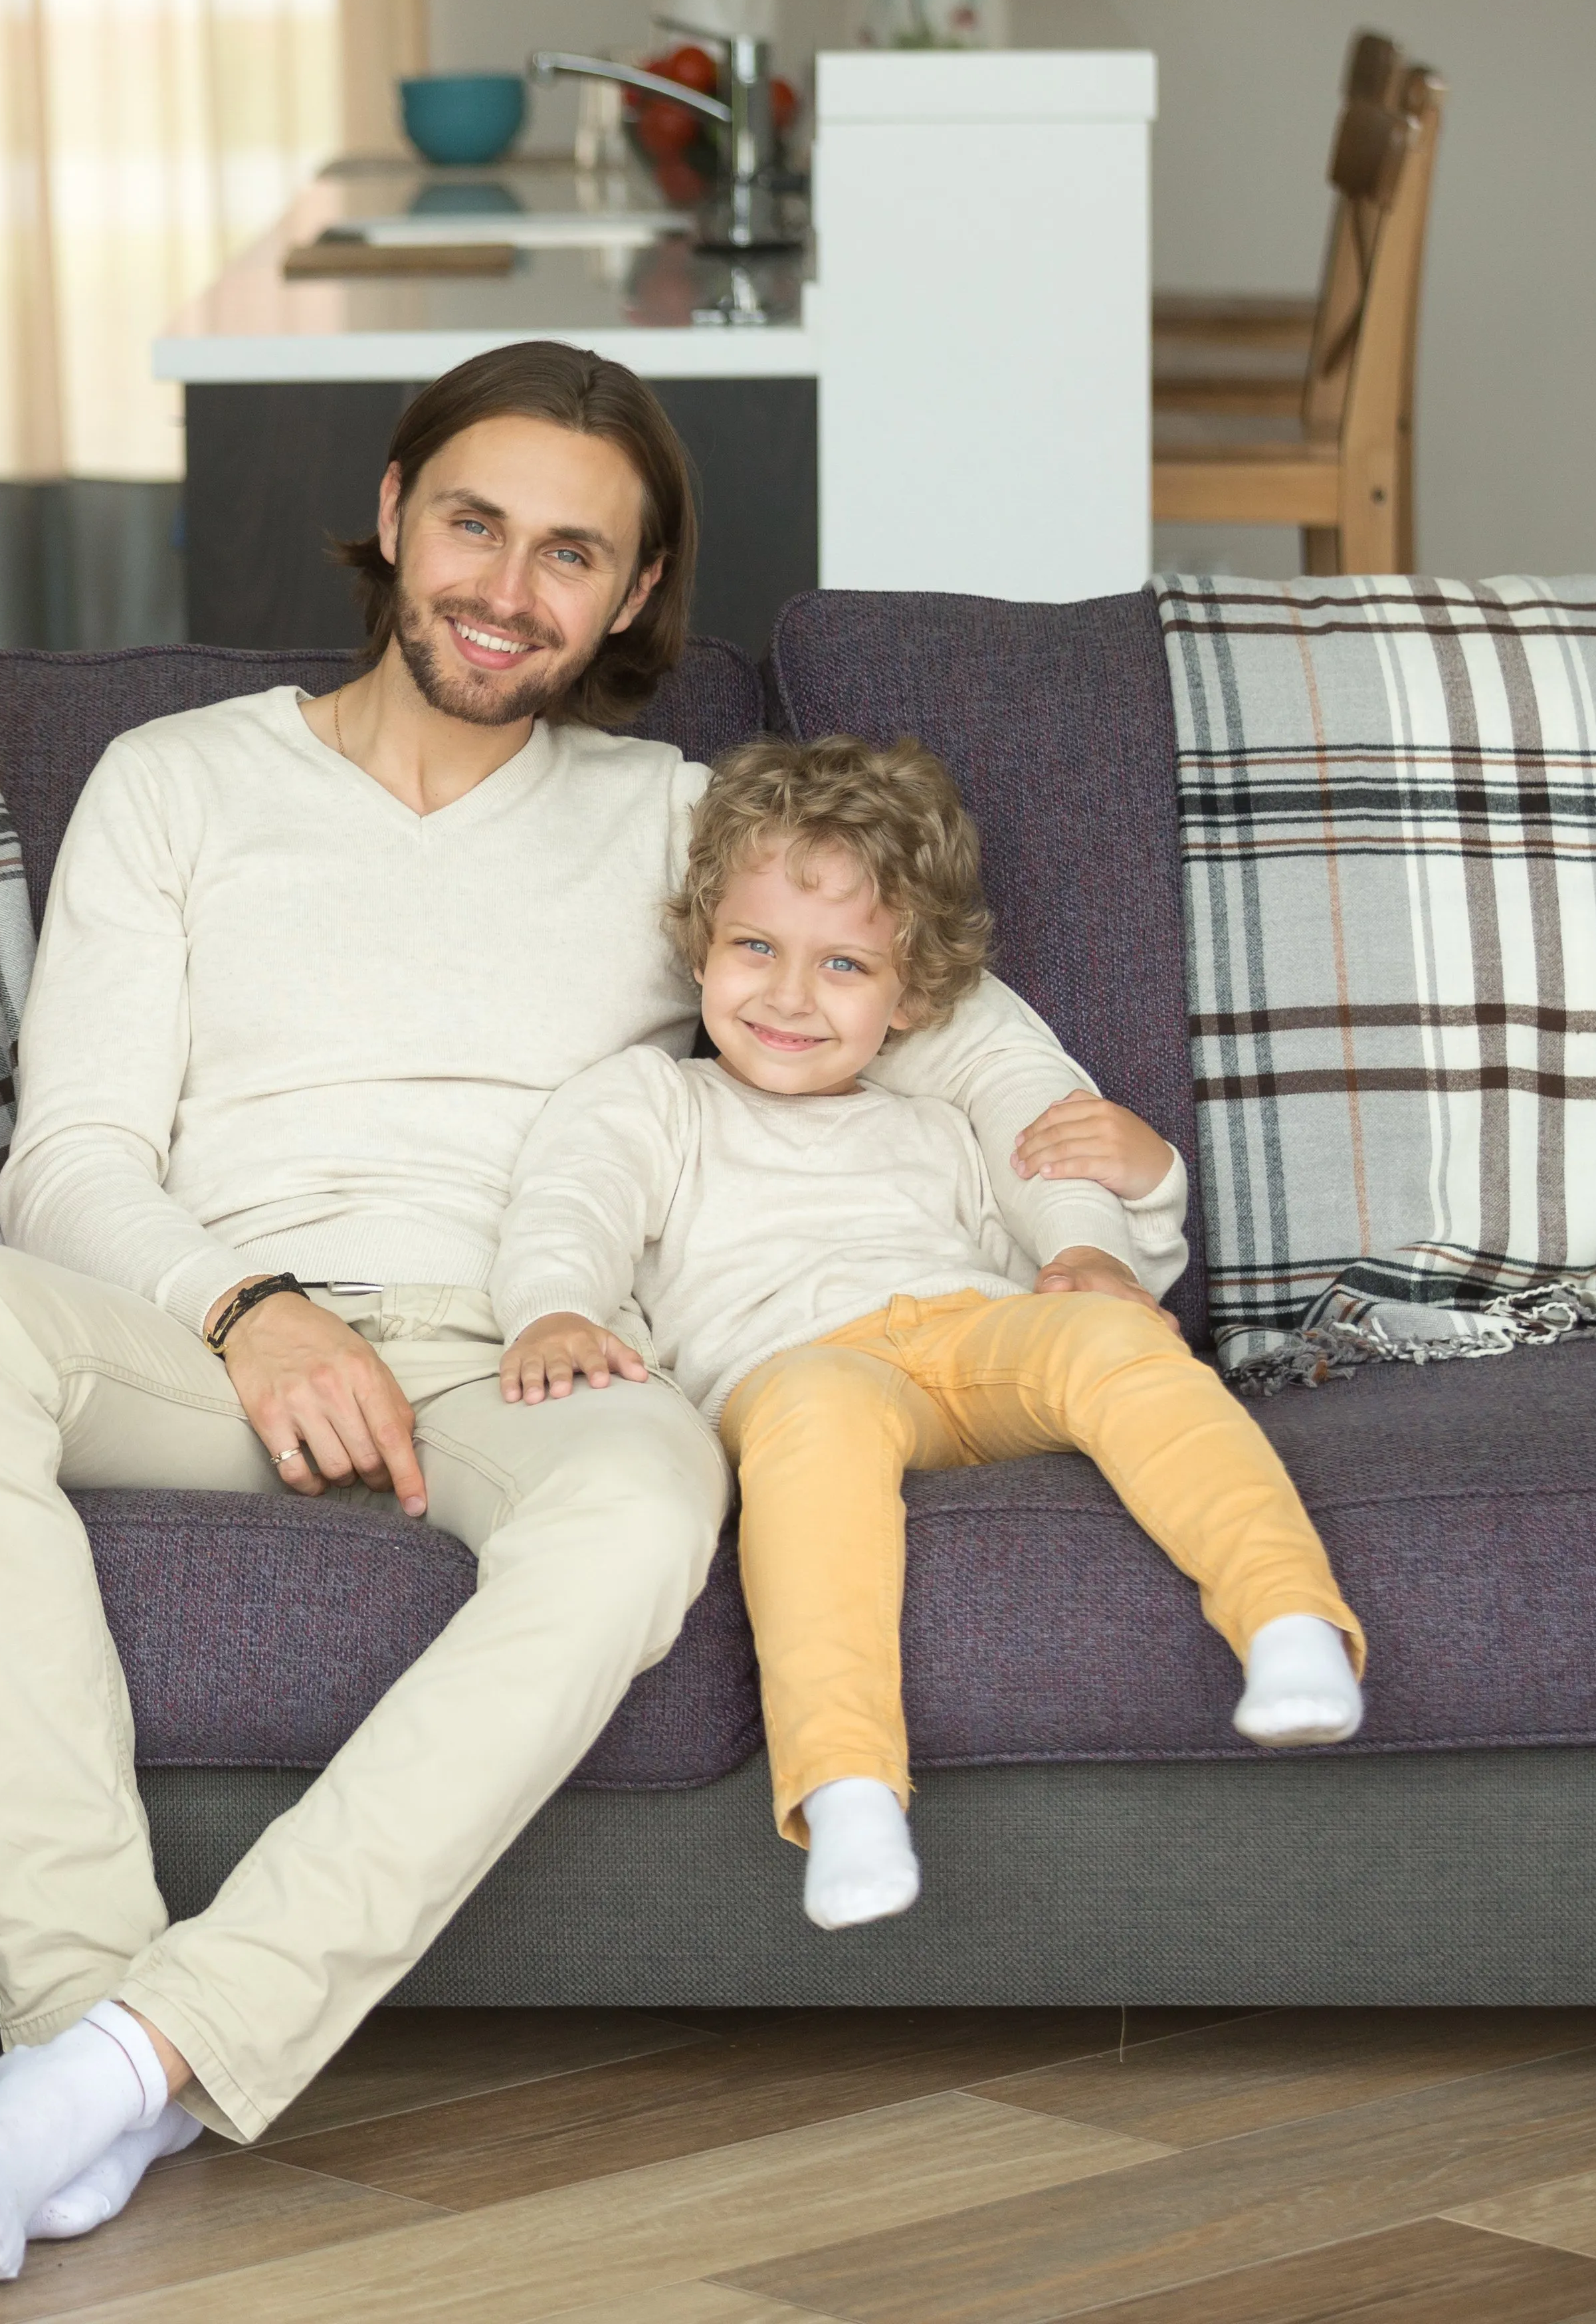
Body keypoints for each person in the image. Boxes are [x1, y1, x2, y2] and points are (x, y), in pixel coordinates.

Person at [0, 340, 1178, 2280]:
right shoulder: (176, 785)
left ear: (633, 596)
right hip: (217, 1337)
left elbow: (993, 1059)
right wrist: (255, 1314)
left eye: (574, 553)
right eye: (473, 522)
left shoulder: (677, 821)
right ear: (394, 519)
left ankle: (152, 2047)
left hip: (532, 1353)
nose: (506, 584)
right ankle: (78, 2024)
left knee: (651, 1501)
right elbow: (72, 1162)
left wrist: (1096, 1240)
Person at [490, 735, 1370, 1932]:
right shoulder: (657, 1101)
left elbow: (1089, 1258)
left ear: (909, 996)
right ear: (701, 943)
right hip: (799, 1369)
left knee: (1119, 1345)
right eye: (756, 948)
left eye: (844, 965)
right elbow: (572, 1200)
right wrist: (558, 1310)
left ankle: (1290, 1627)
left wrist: (1144, 1186)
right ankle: (850, 1793)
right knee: (813, 1420)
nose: (791, 997)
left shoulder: (941, 1114)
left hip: (977, 1334)